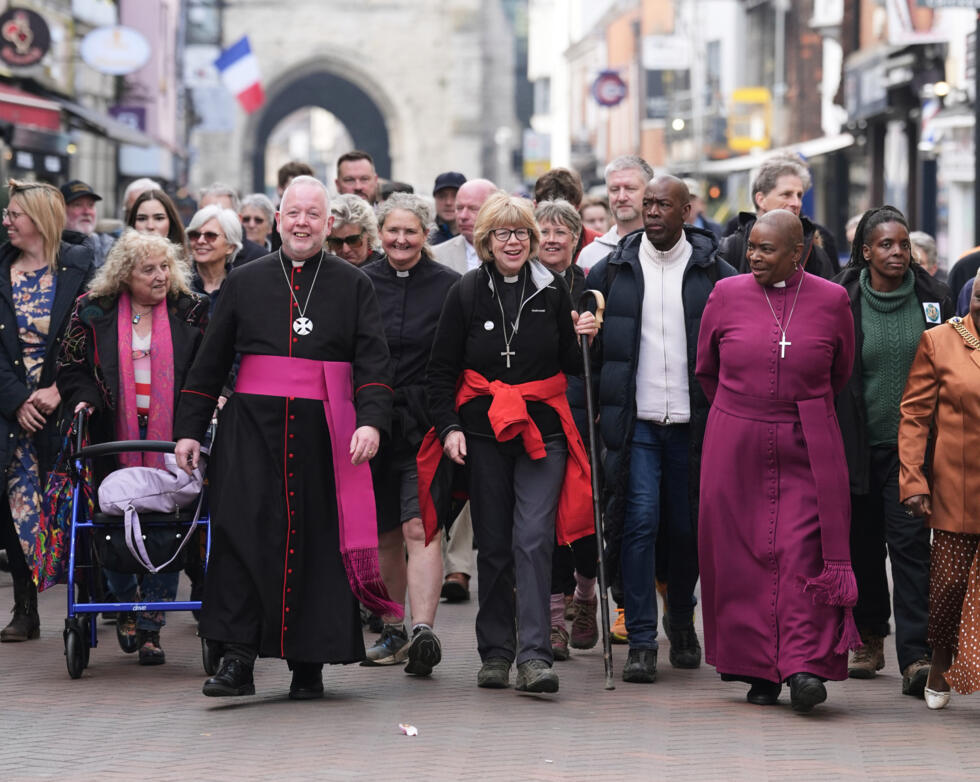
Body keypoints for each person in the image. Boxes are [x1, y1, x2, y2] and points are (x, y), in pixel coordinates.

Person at [173, 175, 396, 700]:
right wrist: (187, 430)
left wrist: (370, 420)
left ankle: (308, 664)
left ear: (328, 223)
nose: (302, 223)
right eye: (293, 213)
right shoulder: (245, 281)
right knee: (239, 537)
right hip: (250, 433)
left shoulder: (353, 283)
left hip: (324, 435)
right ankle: (237, 661)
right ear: (278, 219)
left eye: (313, 215)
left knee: (316, 542)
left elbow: (373, 361)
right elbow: (209, 364)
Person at [424, 192, 597, 693]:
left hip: (542, 431)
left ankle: (536, 656)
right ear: (486, 240)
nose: (514, 241)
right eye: (503, 233)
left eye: (522, 232)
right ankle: (496, 653)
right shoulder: (465, 292)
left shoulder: (552, 292)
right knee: (495, 543)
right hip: (482, 433)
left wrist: (587, 333)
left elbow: (572, 361)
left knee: (535, 538)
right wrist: (449, 428)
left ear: (534, 239)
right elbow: (441, 372)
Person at [697, 209, 858, 712]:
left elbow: (841, 370)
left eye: (767, 249)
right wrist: (743, 413)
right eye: (751, 247)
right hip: (736, 442)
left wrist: (795, 409)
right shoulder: (727, 294)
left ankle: (805, 664)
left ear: (798, 253)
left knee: (803, 549)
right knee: (742, 554)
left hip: (807, 440)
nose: (754, 256)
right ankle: (756, 670)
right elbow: (707, 369)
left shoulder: (832, 299)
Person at [582, 175, 735, 683]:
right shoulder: (613, 270)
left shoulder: (718, 273)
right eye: (646, 203)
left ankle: (680, 619)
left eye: (661, 204)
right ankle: (643, 641)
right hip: (637, 424)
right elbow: (592, 348)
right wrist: (584, 334)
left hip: (696, 423)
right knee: (639, 524)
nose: (650, 211)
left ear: (686, 211)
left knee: (685, 529)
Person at [56, 230, 208, 664]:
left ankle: (151, 625)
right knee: (109, 521)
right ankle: (123, 604)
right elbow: (70, 366)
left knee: (169, 522)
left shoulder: (191, 310)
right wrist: (84, 396)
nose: (161, 276)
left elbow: (207, 366)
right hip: (110, 438)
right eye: (149, 270)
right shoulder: (92, 311)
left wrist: (208, 404)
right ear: (125, 275)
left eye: (165, 266)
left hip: (174, 437)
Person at [834, 206, 953, 694]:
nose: (898, 253)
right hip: (858, 446)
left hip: (915, 452)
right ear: (865, 252)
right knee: (862, 545)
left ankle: (916, 657)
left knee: (909, 550)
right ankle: (868, 638)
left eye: (903, 244)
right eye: (886, 245)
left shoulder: (933, 298)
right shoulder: (842, 298)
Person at [360, 193, 460, 674]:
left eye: (411, 231)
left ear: (426, 234)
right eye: (392, 231)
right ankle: (393, 628)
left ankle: (423, 632)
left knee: (421, 526)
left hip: (425, 425)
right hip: (372, 425)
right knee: (382, 533)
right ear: (379, 234)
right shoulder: (360, 283)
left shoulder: (449, 286)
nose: (400, 240)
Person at [0, 180, 93, 642]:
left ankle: (88, 605)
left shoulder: (79, 267)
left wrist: (59, 388)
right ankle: (25, 608)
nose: (6, 221)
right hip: (11, 412)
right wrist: (16, 399)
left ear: (38, 218)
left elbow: (90, 337)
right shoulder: (2, 270)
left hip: (63, 409)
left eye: (14, 214)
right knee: (19, 510)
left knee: (69, 508)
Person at [899, 271, 980, 709]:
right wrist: (913, 478)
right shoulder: (941, 341)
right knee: (949, 586)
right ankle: (940, 659)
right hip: (958, 487)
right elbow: (914, 417)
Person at [534, 198, 599, 660]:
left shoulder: (591, 289)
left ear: (577, 240)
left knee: (585, 521)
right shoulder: (523, 287)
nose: (553, 239)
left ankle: (587, 596)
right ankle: (554, 622)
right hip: (543, 419)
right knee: (551, 521)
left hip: (586, 415)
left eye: (563, 232)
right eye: (545, 231)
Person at [431, 178, 499, 601]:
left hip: (488, 387)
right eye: (459, 208)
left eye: (473, 208)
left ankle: (459, 567)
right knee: (440, 474)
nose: (462, 214)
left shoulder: (511, 255)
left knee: (475, 474)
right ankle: (435, 560)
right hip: (446, 377)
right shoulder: (438, 257)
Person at [718, 153, 837, 279]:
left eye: (799, 195)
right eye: (786, 194)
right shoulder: (732, 247)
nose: (796, 203)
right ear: (761, 200)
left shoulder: (814, 251)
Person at [576, 156, 654, 272]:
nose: (621, 197)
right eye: (614, 189)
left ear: (650, 192)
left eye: (630, 188)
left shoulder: (670, 249)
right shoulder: (589, 255)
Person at [432, 178, 497, 276]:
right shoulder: (436, 255)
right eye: (459, 208)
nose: (463, 216)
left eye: (473, 208)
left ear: (495, 210)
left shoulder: (512, 253)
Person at [185, 206, 243, 315]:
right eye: (194, 235)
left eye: (210, 235)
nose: (201, 241)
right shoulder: (177, 285)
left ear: (231, 247)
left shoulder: (242, 288)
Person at [533, 168, 600, 262]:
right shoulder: (523, 248)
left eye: (564, 212)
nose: (552, 239)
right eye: (547, 209)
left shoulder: (600, 247)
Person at [198, 184, 265, 265]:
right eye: (206, 214)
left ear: (238, 219)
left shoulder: (260, 259)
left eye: (223, 213)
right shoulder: (186, 255)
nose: (214, 220)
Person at [60, 180, 114, 268]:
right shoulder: (50, 248)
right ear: (61, 210)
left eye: (91, 205)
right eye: (77, 205)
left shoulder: (111, 248)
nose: (87, 212)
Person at [328, 194, 382, 267]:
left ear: (369, 235)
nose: (345, 250)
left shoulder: (385, 271)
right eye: (337, 242)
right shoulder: (324, 271)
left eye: (353, 240)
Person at [430, 171, 466, 245]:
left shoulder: (477, 237)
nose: (448, 202)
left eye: (455, 196)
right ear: (435, 198)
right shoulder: (424, 238)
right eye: (442, 196)